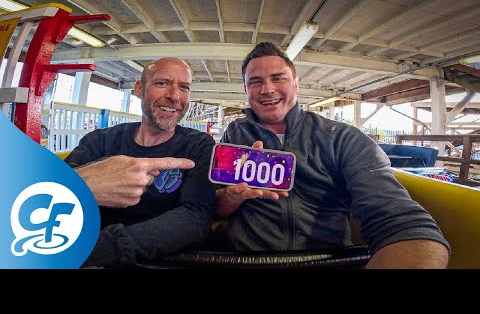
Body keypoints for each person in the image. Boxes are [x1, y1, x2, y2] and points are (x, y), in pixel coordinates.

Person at [212, 42, 450, 269]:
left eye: (278, 78)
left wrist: (414, 241)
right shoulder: (234, 134)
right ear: (246, 90)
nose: (267, 89)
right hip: (244, 260)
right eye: (255, 82)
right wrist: (233, 197)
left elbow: (399, 220)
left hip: (327, 260)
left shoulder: (342, 138)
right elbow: (216, 207)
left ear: (296, 83)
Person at [65, 57, 216, 268]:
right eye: (162, 83)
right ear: (139, 89)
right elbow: (55, 193)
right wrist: (93, 182)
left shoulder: (198, 145)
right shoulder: (100, 141)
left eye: (184, 87)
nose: (174, 96)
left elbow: (197, 216)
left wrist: (101, 249)